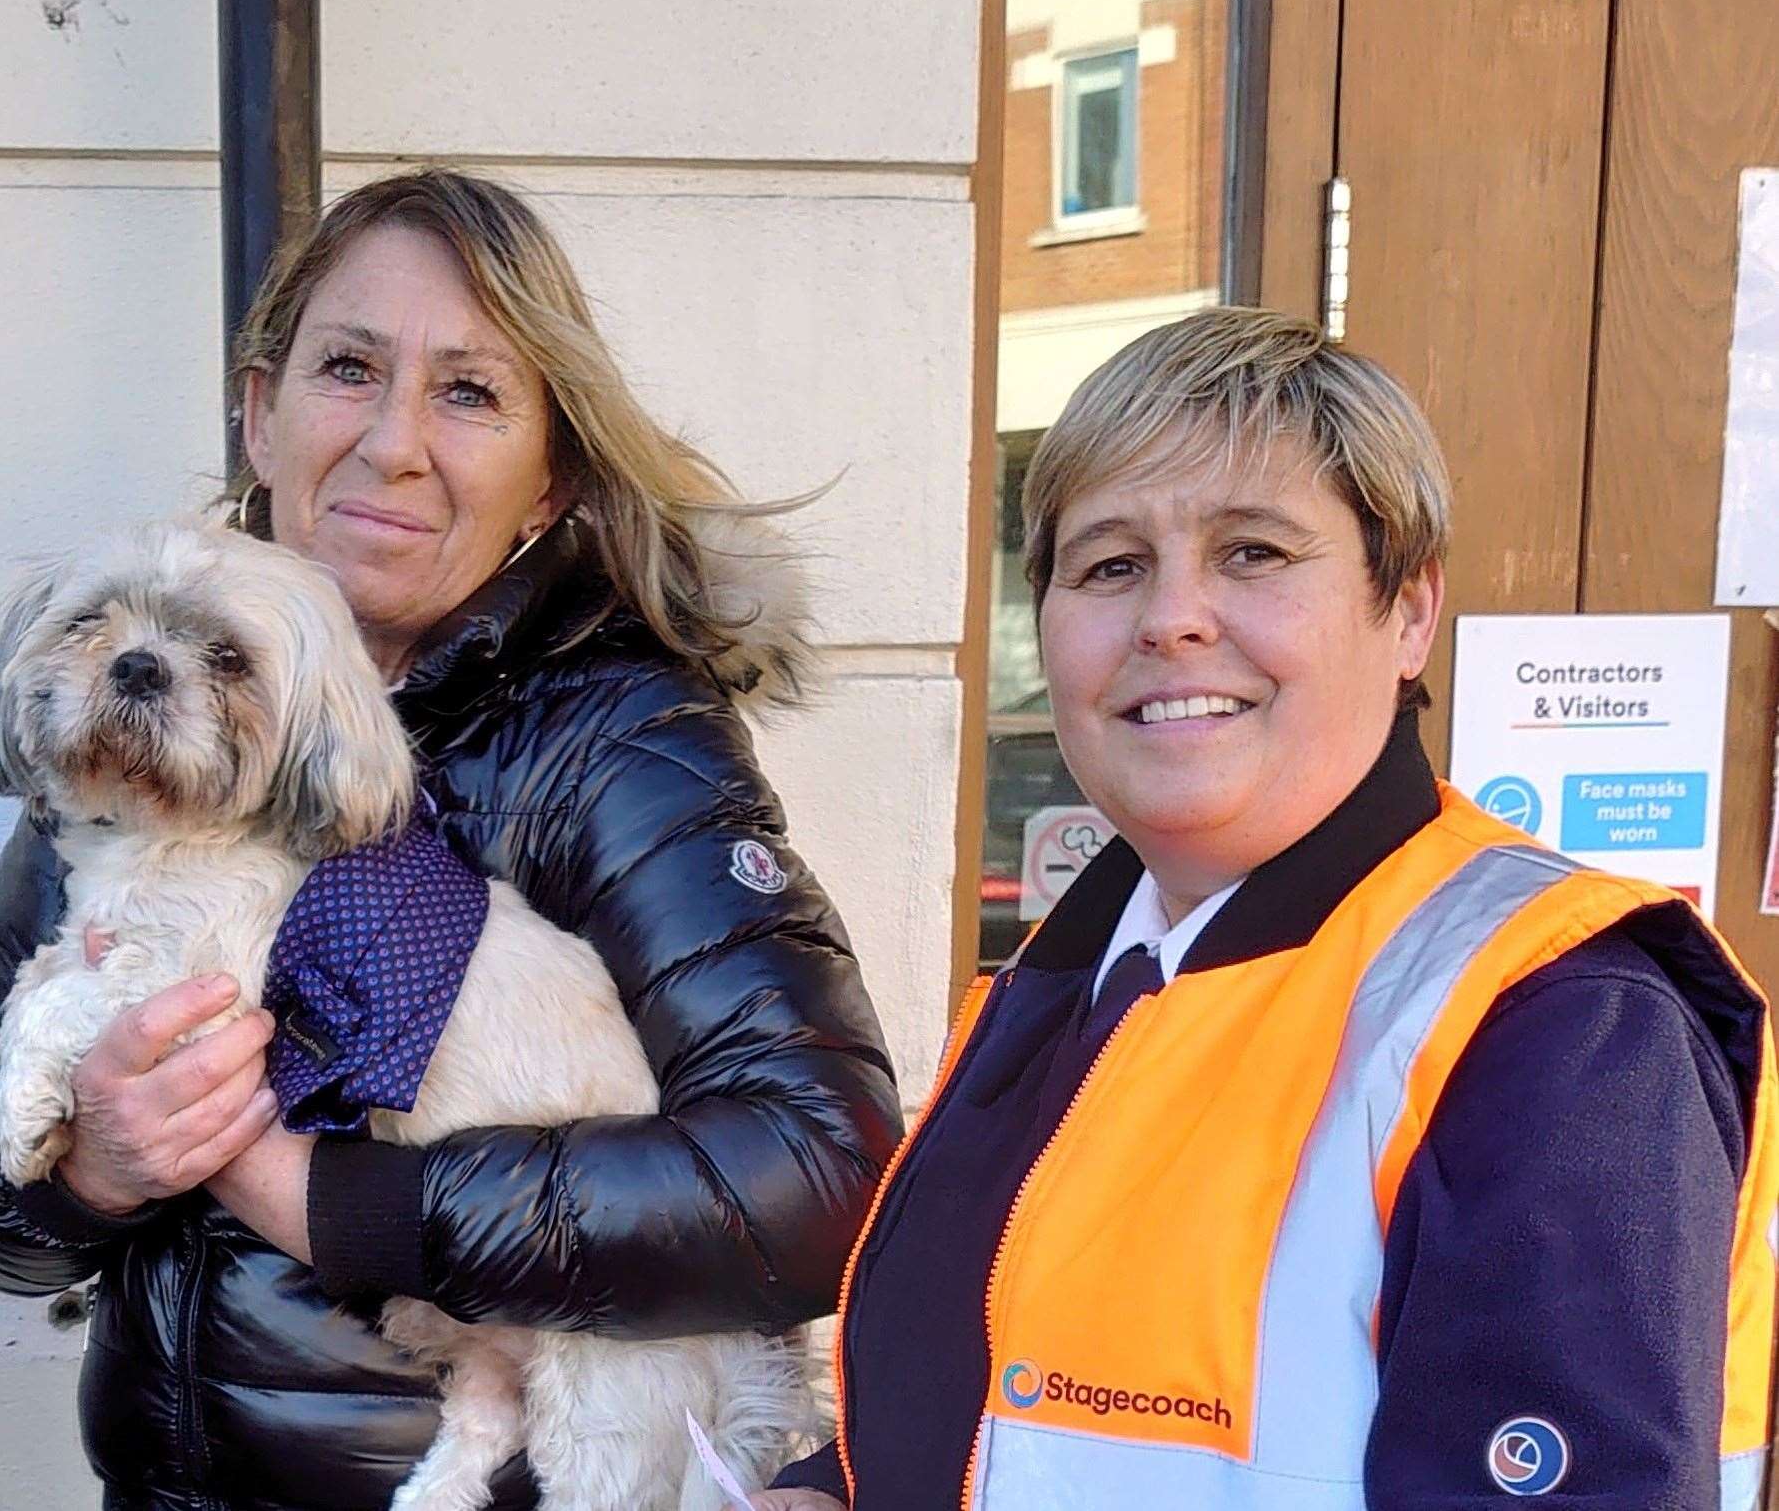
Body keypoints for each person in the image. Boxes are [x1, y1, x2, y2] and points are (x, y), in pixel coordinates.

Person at [0, 169, 902, 1510]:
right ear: (262, 416)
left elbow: (813, 1175)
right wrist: (91, 1163)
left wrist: (341, 1202)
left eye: (470, 391)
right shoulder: (122, 720)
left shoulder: (615, 747)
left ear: (548, 473)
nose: (392, 441)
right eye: (349, 367)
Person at [754, 308, 1778, 1509]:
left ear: (1407, 612)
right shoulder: (1069, 978)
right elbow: (988, 1408)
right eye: (1111, 564)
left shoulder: (1555, 1023)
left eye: (1252, 553)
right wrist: (832, 1487)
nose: (1169, 617)